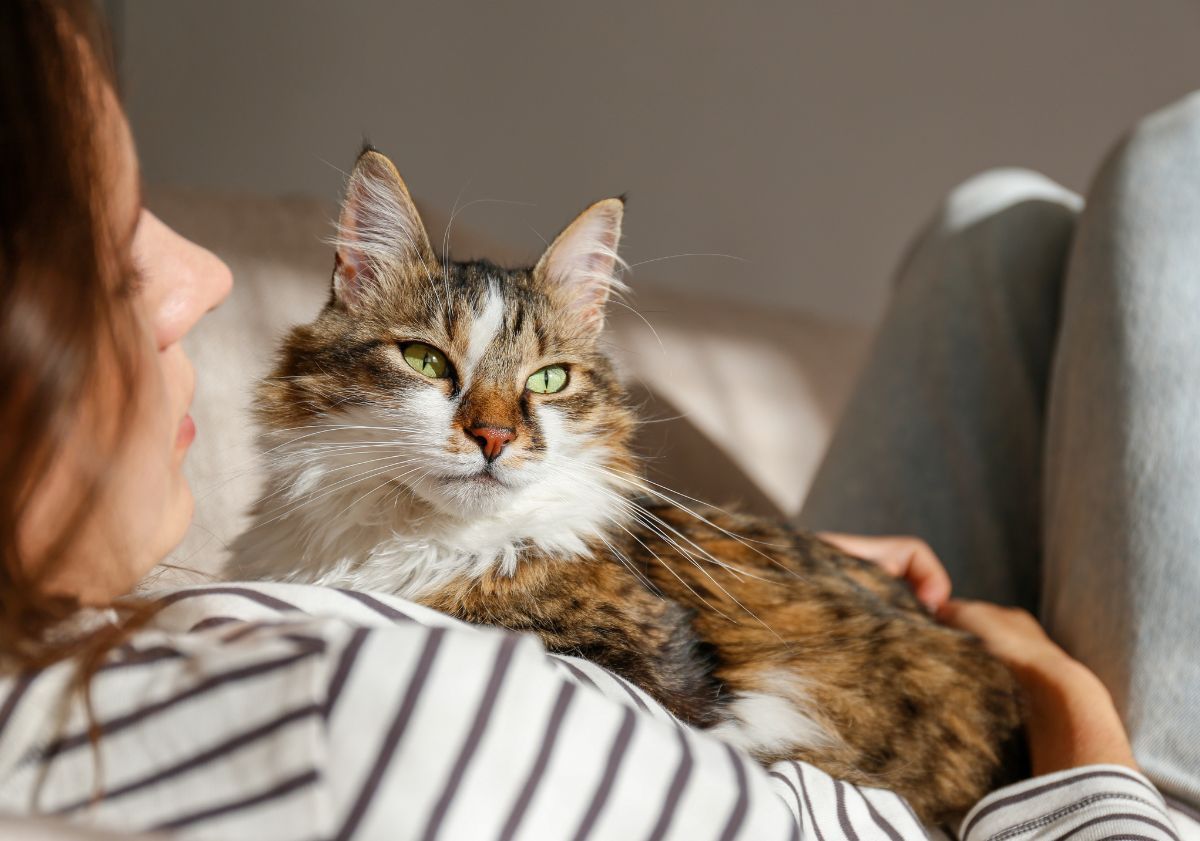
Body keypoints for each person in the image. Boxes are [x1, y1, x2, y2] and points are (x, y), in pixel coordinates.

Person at [0, 2, 1191, 839]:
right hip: (1095, 798)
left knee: (997, 233)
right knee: (1165, 171)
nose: (202, 279)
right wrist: (1060, 688)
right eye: (112, 264)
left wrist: (771, 576)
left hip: (860, 682)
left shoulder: (100, 657)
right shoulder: (328, 723)